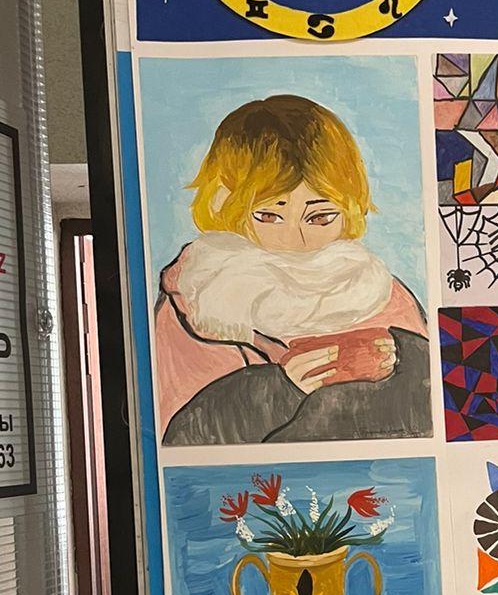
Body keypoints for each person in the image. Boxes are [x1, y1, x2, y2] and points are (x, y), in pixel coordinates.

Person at [154, 93, 431, 444]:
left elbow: (434, 410)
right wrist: (279, 390)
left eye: (320, 217)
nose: (294, 239)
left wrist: (408, 362)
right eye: (269, 216)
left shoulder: (378, 290)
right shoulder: (199, 297)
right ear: (226, 203)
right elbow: (177, 442)